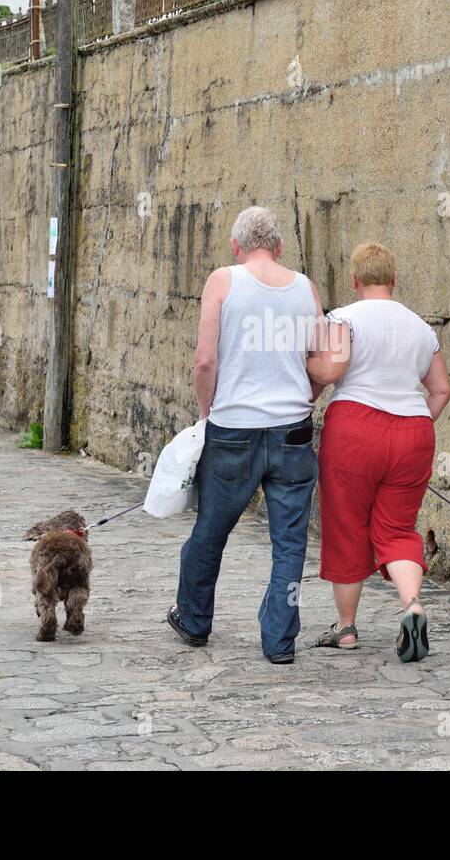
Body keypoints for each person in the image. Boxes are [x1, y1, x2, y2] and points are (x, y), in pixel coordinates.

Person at [166, 207, 324, 664]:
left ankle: (194, 621)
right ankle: (279, 640)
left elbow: (204, 361)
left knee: (210, 531)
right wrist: (306, 395)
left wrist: (206, 413)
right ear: (278, 246)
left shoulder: (223, 280)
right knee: (290, 543)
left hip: (233, 427)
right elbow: (324, 356)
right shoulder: (305, 288)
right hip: (292, 430)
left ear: (236, 247)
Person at [306, 242, 450, 662]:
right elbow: (441, 390)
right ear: (394, 279)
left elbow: (327, 375)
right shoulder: (422, 328)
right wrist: (411, 427)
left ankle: (346, 628)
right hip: (413, 431)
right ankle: (412, 606)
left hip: (354, 428)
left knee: (347, 525)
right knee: (397, 530)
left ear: (354, 281)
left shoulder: (343, 318)